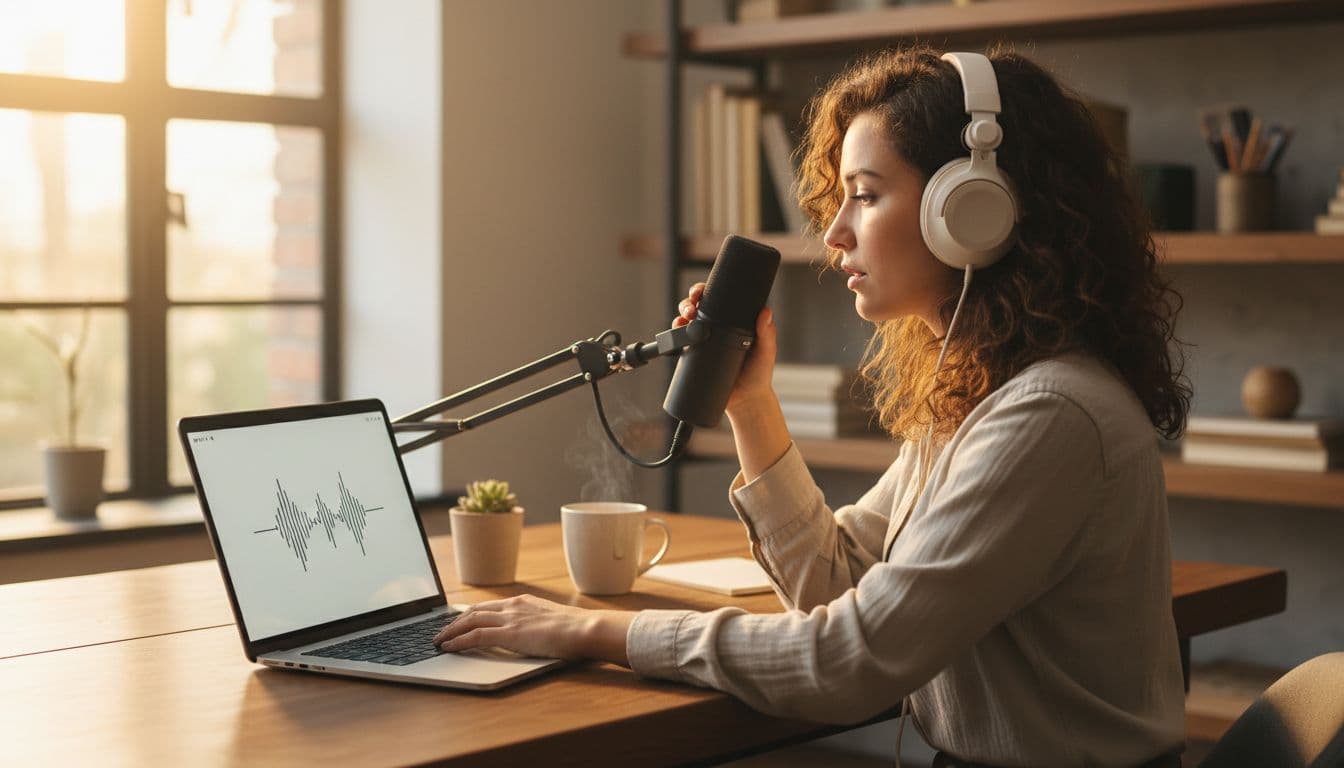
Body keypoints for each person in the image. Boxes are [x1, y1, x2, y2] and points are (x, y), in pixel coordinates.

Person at [434, 45, 1191, 768]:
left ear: (971, 210)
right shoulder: (981, 401)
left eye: (865, 195)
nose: (835, 235)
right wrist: (751, 405)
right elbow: (840, 585)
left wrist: (593, 631)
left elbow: (846, 662)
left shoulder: (1050, 416)